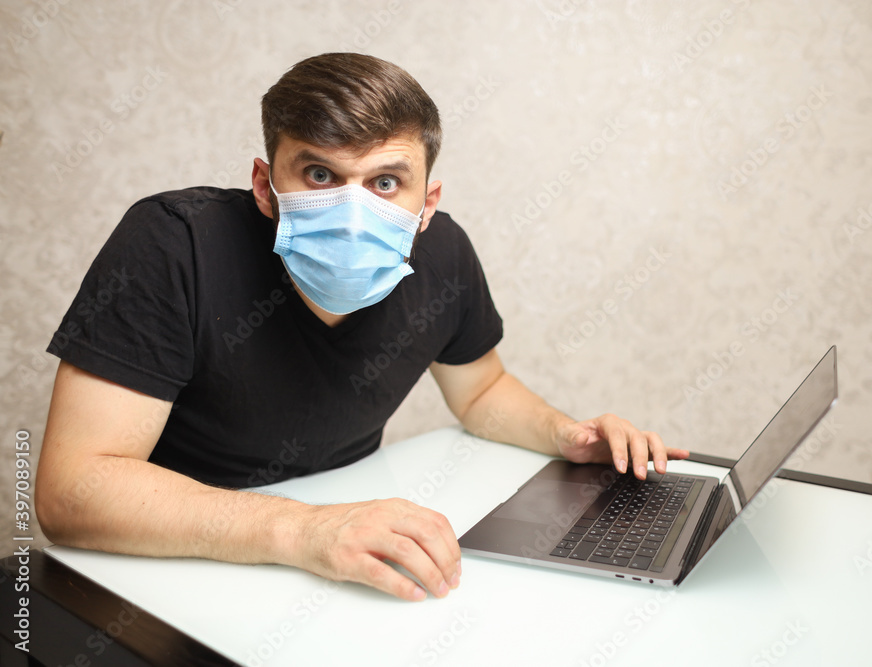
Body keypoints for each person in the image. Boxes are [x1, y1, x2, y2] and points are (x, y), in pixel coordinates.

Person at [36, 53, 688, 602]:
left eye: (385, 181)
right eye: (320, 175)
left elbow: (481, 391)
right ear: (265, 185)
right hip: (176, 564)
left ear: (427, 201)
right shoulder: (176, 244)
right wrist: (304, 532)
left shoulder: (444, 254)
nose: (352, 210)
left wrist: (567, 435)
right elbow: (72, 493)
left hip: (342, 555)